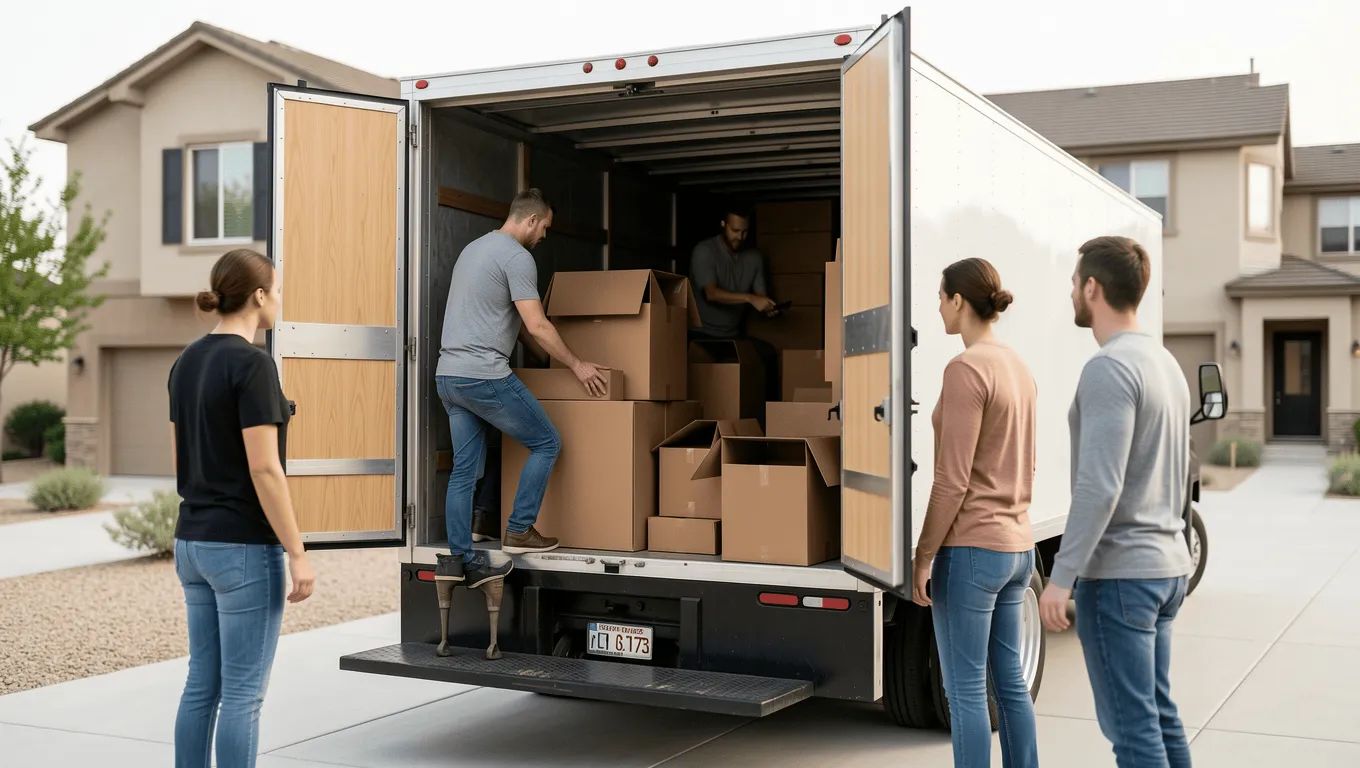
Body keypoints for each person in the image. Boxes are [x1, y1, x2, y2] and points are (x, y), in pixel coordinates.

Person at [1040, 235, 1194, 768]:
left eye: (1074, 283)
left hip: (1122, 576)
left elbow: (1099, 485)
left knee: (1133, 732)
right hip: (1166, 568)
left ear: (1092, 287)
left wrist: (1061, 578)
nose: (1071, 293)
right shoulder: (1165, 363)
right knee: (1158, 716)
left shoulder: (1109, 367)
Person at [169, 248, 316, 768]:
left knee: (201, 685)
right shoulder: (253, 365)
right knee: (242, 695)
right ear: (258, 295)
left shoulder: (186, 362)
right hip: (242, 549)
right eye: (276, 290)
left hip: (192, 542)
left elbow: (180, 457)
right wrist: (298, 552)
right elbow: (265, 469)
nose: (278, 299)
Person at [434, 188, 608, 588]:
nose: (544, 235)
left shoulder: (474, 249)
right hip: (483, 375)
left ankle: (460, 559)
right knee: (547, 442)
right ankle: (519, 529)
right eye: (544, 227)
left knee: (464, 471)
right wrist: (577, 365)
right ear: (531, 220)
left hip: (449, 376)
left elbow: (520, 325)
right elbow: (537, 324)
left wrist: (548, 361)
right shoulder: (517, 257)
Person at [912, 258, 1039, 768]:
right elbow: (1028, 464)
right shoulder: (1018, 367)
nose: (938, 308)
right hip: (1018, 549)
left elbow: (952, 481)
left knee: (964, 690)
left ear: (959, 301)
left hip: (971, 552)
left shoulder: (965, 369)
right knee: (1010, 684)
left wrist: (924, 556)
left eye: (941, 298)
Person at [689, 204, 781, 399]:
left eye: (745, 232)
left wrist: (767, 307)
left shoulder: (754, 258)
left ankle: (769, 415)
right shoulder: (705, 251)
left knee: (768, 353)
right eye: (735, 230)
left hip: (734, 336)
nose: (740, 237)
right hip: (702, 335)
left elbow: (760, 296)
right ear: (723, 224)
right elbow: (711, 294)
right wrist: (750, 298)